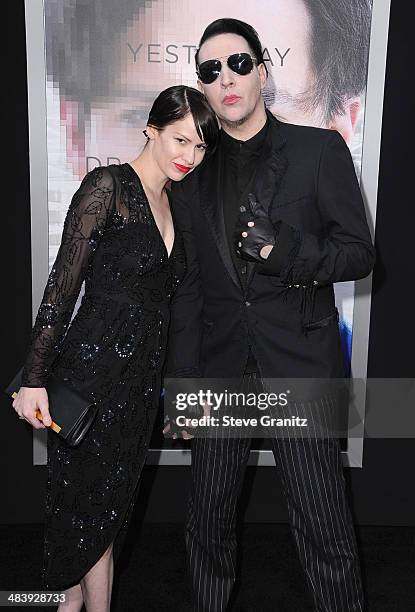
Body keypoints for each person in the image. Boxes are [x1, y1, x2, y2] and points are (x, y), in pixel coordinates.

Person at [166, 19, 376, 611]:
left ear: (262, 70)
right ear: (202, 88)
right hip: (218, 370)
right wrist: (182, 385)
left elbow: (360, 255)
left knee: (324, 527)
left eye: (237, 63)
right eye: (210, 70)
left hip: (301, 366)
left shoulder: (317, 150)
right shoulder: (190, 175)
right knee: (207, 524)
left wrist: (283, 250)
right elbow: (187, 292)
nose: (225, 78)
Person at [12, 84, 218, 612]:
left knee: (108, 515)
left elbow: (173, 311)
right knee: (85, 513)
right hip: (89, 379)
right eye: (179, 140)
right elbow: (61, 288)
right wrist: (33, 378)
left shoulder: (173, 202)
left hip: (137, 391)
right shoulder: (108, 186)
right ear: (151, 128)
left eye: (198, 147)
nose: (188, 157)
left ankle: (77, 605)